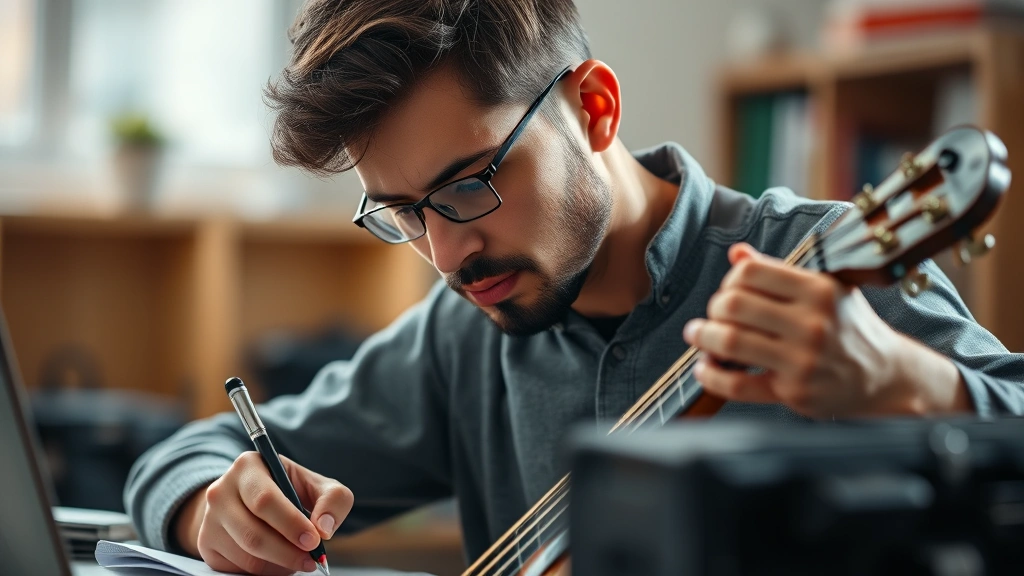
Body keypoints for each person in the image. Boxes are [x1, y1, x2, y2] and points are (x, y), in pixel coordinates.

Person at [124, 1, 1024, 574]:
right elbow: (190, 453)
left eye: (471, 184)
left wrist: (914, 388)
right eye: (402, 212)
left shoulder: (820, 265)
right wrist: (215, 509)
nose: (445, 254)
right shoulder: (460, 333)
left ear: (594, 108)